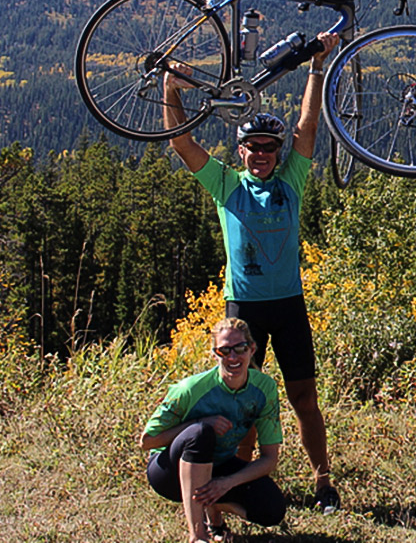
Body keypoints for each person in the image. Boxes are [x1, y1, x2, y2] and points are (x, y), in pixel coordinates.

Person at [162, 32, 340, 513]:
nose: (261, 153)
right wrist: (171, 89)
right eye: (252, 147)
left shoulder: (292, 182)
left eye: (269, 147)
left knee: (305, 398)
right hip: (243, 310)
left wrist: (316, 67)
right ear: (240, 151)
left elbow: (308, 123)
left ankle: (324, 482)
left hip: (288, 305)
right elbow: (182, 142)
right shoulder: (225, 184)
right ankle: (238, 482)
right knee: (242, 406)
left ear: (278, 152)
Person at [142, 317, 286, 543]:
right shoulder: (190, 389)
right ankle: (198, 535)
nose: (233, 357)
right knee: (200, 434)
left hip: (218, 466)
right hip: (167, 472)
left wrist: (227, 483)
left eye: (240, 348)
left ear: (252, 349)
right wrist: (198, 422)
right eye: (224, 351)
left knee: (273, 509)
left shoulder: (264, 388)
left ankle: (212, 503)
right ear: (214, 354)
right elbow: (147, 441)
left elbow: (269, 459)